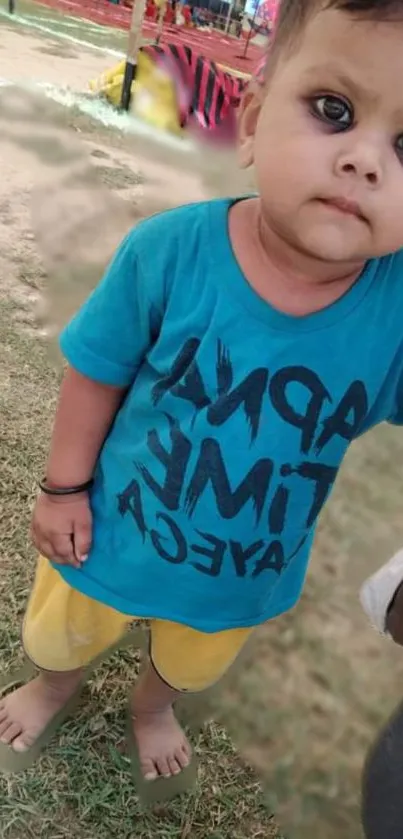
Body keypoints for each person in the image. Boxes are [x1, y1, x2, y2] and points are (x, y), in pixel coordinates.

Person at [2, 0, 403, 799]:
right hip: (110, 529)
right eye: (333, 110)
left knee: (187, 661)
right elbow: (97, 370)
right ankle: (50, 688)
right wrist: (63, 488)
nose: (364, 161)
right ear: (250, 121)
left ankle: (152, 712)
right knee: (63, 632)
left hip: (240, 570)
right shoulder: (169, 252)